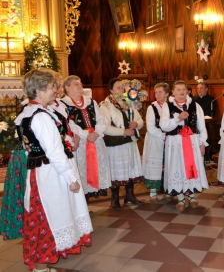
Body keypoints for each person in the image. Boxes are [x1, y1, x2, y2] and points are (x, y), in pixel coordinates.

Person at [15, 69, 92, 272]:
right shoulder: (41, 117)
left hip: (40, 174)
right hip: (50, 176)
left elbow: (30, 148)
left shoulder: (29, 112)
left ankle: (43, 267)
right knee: (48, 221)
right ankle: (41, 268)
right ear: (39, 91)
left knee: (44, 219)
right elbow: (55, 152)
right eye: (51, 88)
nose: (54, 92)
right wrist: (71, 179)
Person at [61, 75, 111, 204]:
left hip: (95, 141)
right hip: (80, 144)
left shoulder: (91, 102)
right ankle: (81, 206)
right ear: (67, 87)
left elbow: (102, 119)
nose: (80, 87)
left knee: (93, 171)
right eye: (76, 84)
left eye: (80, 84)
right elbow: (69, 123)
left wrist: (97, 132)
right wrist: (85, 134)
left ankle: (88, 202)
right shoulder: (63, 104)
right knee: (81, 172)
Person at [160, 80, 209, 211]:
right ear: (173, 92)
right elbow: (164, 125)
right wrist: (178, 119)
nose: (181, 91)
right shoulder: (167, 106)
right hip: (175, 142)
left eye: (183, 89)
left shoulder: (195, 105)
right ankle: (181, 197)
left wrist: (203, 143)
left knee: (191, 167)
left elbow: (201, 126)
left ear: (187, 91)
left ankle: (192, 196)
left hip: (192, 141)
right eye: (178, 89)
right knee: (177, 167)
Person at [99, 78, 144, 209]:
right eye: (117, 87)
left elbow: (140, 120)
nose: (121, 90)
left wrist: (136, 124)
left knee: (130, 168)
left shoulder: (129, 102)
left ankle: (130, 196)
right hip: (115, 145)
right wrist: (124, 131)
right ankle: (114, 199)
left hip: (130, 143)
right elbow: (105, 127)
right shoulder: (105, 105)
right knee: (116, 171)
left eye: (122, 87)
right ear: (111, 90)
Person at [142, 82, 170, 202]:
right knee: (155, 165)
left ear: (167, 94)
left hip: (169, 140)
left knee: (168, 164)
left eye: (160, 92)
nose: (157, 94)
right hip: (155, 139)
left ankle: (168, 190)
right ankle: (153, 192)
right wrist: (162, 136)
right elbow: (150, 127)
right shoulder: (151, 107)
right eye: (156, 92)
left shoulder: (171, 106)